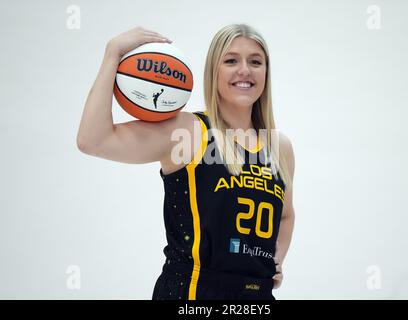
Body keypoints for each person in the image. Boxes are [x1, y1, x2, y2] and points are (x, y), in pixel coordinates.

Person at [77, 24, 295, 300]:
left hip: (256, 296)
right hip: (191, 292)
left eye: (255, 61)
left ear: (266, 72)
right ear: (213, 71)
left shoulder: (280, 148)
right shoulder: (189, 132)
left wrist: (275, 260)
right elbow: (93, 140)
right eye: (231, 60)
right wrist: (112, 54)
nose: (245, 70)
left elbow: (285, 215)